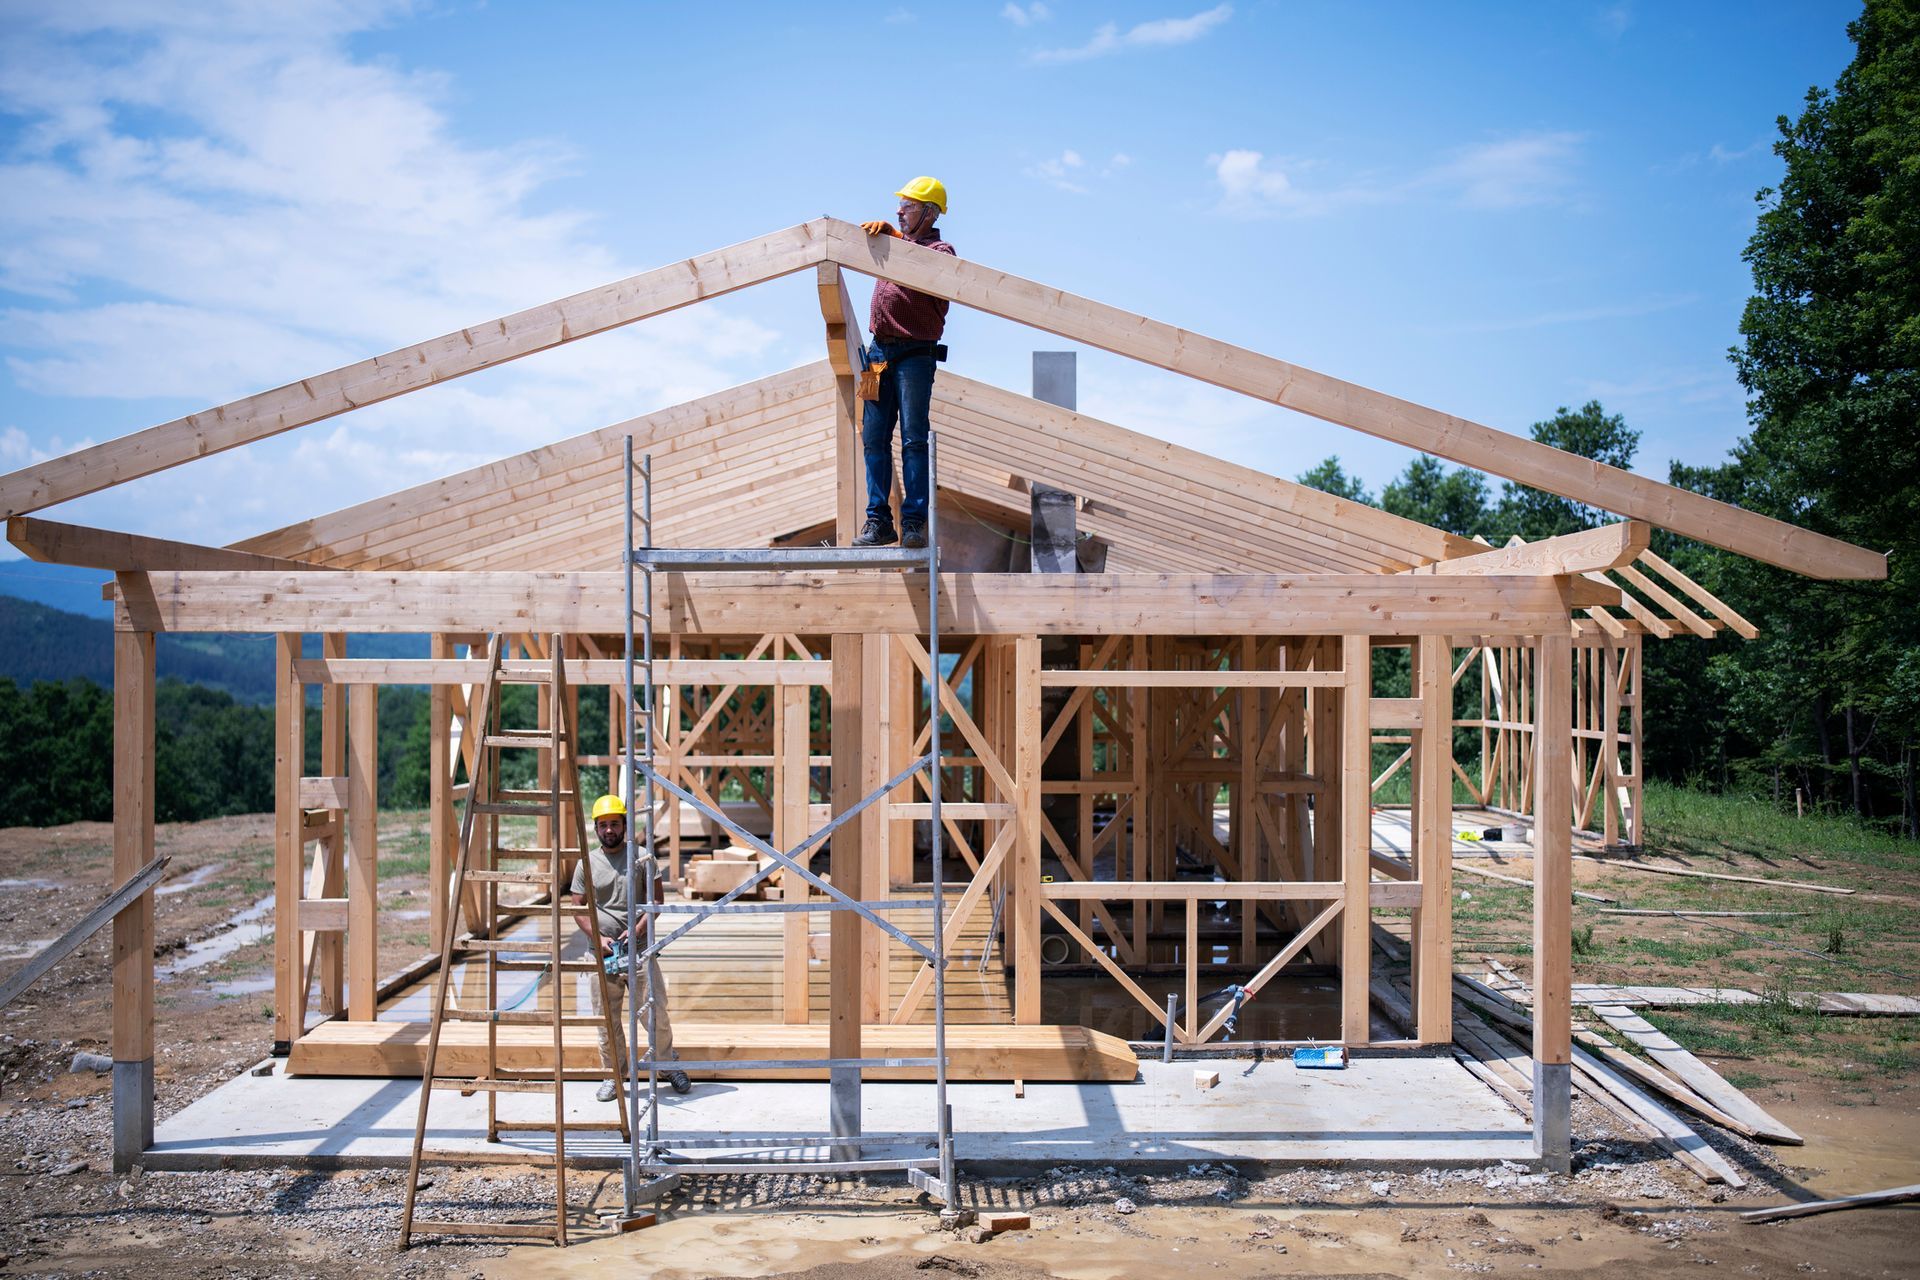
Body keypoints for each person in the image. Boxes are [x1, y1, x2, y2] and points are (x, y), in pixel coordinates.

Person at [853, 175, 956, 550]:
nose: (898, 211)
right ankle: (878, 521)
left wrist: (897, 242)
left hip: (915, 355)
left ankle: (913, 522)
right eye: (900, 205)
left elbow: (933, 268)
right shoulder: (895, 245)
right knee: (872, 436)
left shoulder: (941, 250)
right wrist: (890, 241)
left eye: (908, 206)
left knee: (914, 438)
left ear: (929, 214)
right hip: (877, 355)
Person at [570, 793, 690, 1098]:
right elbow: (578, 906)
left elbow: (657, 900)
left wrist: (636, 930)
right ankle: (614, 1074)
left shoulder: (641, 857)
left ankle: (666, 1065)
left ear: (624, 825)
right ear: (596, 828)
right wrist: (598, 939)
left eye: (614, 824)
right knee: (606, 1017)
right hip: (602, 955)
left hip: (639, 951)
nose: (609, 830)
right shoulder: (588, 862)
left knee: (654, 1011)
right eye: (603, 825)